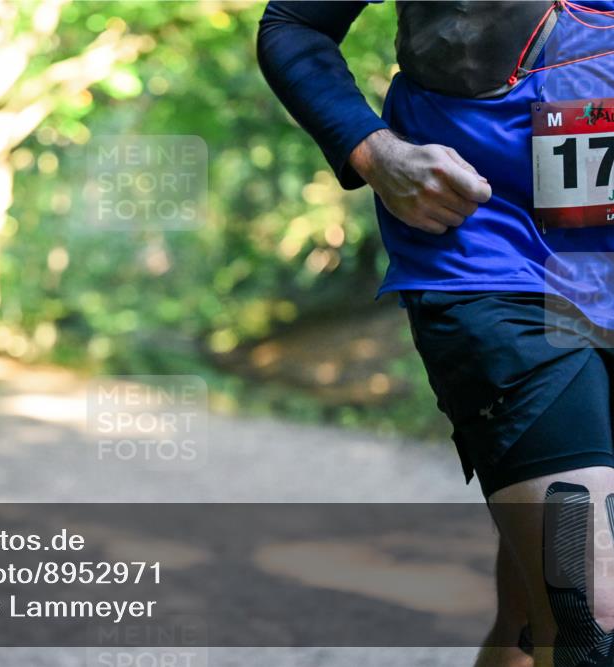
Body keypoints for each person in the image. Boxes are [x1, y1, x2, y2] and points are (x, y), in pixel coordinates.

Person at [258, 2, 613, 666]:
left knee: (528, 619)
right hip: (492, 251)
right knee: (589, 615)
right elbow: (294, 22)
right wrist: (376, 151)